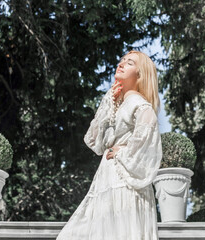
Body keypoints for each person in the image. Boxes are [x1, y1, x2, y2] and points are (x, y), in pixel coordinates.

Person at [56, 50, 162, 240]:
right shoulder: (117, 105)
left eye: (129, 63)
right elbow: (93, 141)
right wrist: (108, 102)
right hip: (107, 180)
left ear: (140, 75)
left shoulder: (138, 104)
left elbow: (148, 139)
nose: (121, 64)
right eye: (121, 60)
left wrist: (123, 151)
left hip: (125, 182)